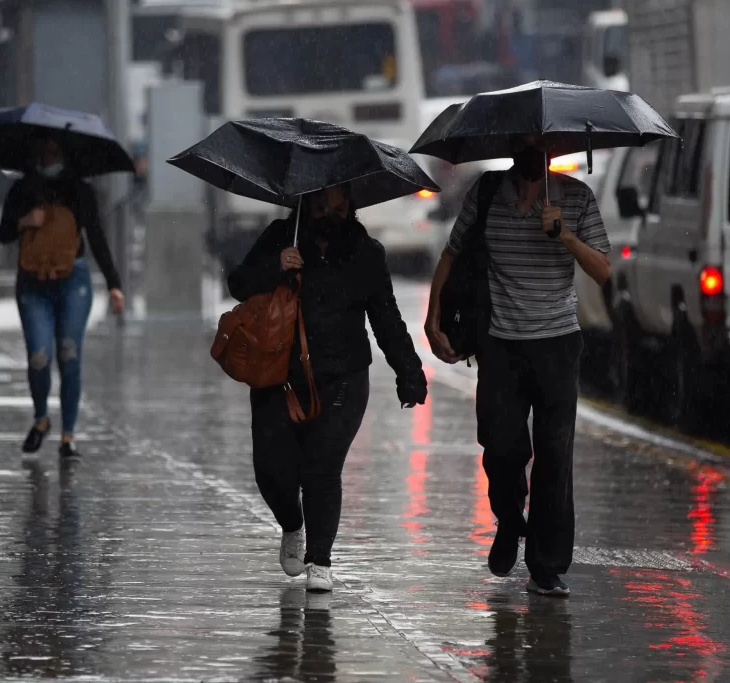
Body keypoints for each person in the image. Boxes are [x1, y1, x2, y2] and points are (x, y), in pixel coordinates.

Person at [424, 135, 611, 597]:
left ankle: (546, 566)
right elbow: (451, 253)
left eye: (539, 146)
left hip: (557, 345)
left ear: (550, 150)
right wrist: (431, 317)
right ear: (512, 148)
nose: (531, 154)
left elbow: (604, 270)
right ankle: (510, 518)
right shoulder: (487, 192)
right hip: (500, 347)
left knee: (554, 456)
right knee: (501, 448)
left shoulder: (576, 197)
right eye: (523, 145)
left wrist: (565, 234)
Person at [229, 185, 428, 593]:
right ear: (305, 203)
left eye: (339, 206)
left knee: (321, 469)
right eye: (321, 204)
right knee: (272, 471)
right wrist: (275, 265)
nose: (329, 213)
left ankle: (320, 559)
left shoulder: (365, 253)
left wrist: (409, 372)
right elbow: (238, 283)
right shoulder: (279, 236)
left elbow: (386, 318)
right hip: (278, 376)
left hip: (343, 378)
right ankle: (292, 523)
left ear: (350, 207)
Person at [0, 135, 125, 460]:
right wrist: (26, 220)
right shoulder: (22, 190)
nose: (50, 156)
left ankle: (69, 434)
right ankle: (41, 419)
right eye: (44, 149)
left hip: (73, 281)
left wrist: (113, 283)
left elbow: (95, 235)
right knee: (38, 356)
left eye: (56, 150)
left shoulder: (80, 190)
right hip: (32, 283)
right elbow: (2, 234)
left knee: (69, 354)